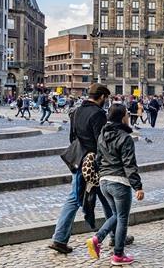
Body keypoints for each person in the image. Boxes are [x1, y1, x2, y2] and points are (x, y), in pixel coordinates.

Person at [50, 83, 129, 254]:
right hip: (94, 162)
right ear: (101, 97)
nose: (105, 102)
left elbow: (72, 136)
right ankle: (60, 238)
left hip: (80, 160)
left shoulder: (77, 111)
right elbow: (102, 141)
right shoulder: (98, 114)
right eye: (105, 98)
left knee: (90, 199)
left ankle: (115, 236)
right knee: (84, 199)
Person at [86, 103, 144, 266]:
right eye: (126, 114)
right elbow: (129, 164)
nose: (128, 116)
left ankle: (98, 239)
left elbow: (98, 159)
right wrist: (137, 186)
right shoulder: (125, 138)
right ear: (122, 117)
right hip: (119, 182)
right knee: (122, 218)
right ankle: (118, 254)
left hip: (104, 182)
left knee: (116, 216)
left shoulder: (102, 135)